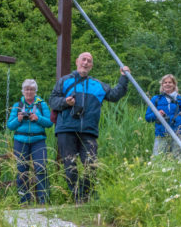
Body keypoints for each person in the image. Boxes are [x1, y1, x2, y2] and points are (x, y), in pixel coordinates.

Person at [49, 52, 130, 203]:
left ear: (91, 66)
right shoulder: (65, 81)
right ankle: (76, 197)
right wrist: (66, 102)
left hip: (88, 131)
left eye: (89, 61)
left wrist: (124, 78)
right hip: (66, 129)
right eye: (83, 60)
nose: (86, 63)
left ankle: (84, 198)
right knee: (70, 164)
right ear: (77, 62)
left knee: (91, 165)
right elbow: (52, 101)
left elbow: (115, 95)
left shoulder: (97, 85)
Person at [7, 79, 54, 205]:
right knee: (22, 170)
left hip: (38, 140)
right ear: (23, 91)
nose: (29, 92)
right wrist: (19, 119)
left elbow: (49, 122)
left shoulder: (41, 104)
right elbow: (10, 126)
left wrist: (37, 118)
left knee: (41, 169)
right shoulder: (17, 106)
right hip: (20, 141)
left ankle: (44, 200)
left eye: (31, 89)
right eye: (26, 89)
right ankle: (24, 201)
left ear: (35, 91)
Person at [145, 74, 181, 157]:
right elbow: (147, 117)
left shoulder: (180, 99)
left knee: (178, 162)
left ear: (174, 85)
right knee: (157, 160)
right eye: (165, 82)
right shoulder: (156, 99)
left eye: (170, 82)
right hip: (161, 134)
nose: (167, 84)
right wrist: (157, 114)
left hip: (178, 134)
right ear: (162, 85)